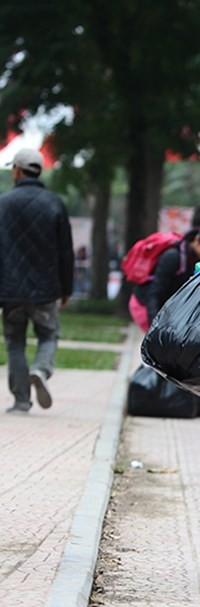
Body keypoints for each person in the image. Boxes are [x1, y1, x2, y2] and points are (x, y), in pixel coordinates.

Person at [0, 148, 74, 414]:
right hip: (45, 290)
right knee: (48, 335)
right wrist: (67, 288)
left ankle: (21, 401)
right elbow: (66, 251)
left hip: (10, 290)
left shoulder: (3, 203)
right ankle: (41, 370)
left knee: (15, 343)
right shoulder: (54, 203)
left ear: (18, 170)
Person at [128, 226, 200, 333]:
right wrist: (154, 326)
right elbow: (155, 292)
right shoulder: (173, 257)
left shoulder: (195, 260)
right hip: (144, 304)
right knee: (158, 344)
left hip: (165, 306)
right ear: (197, 240)